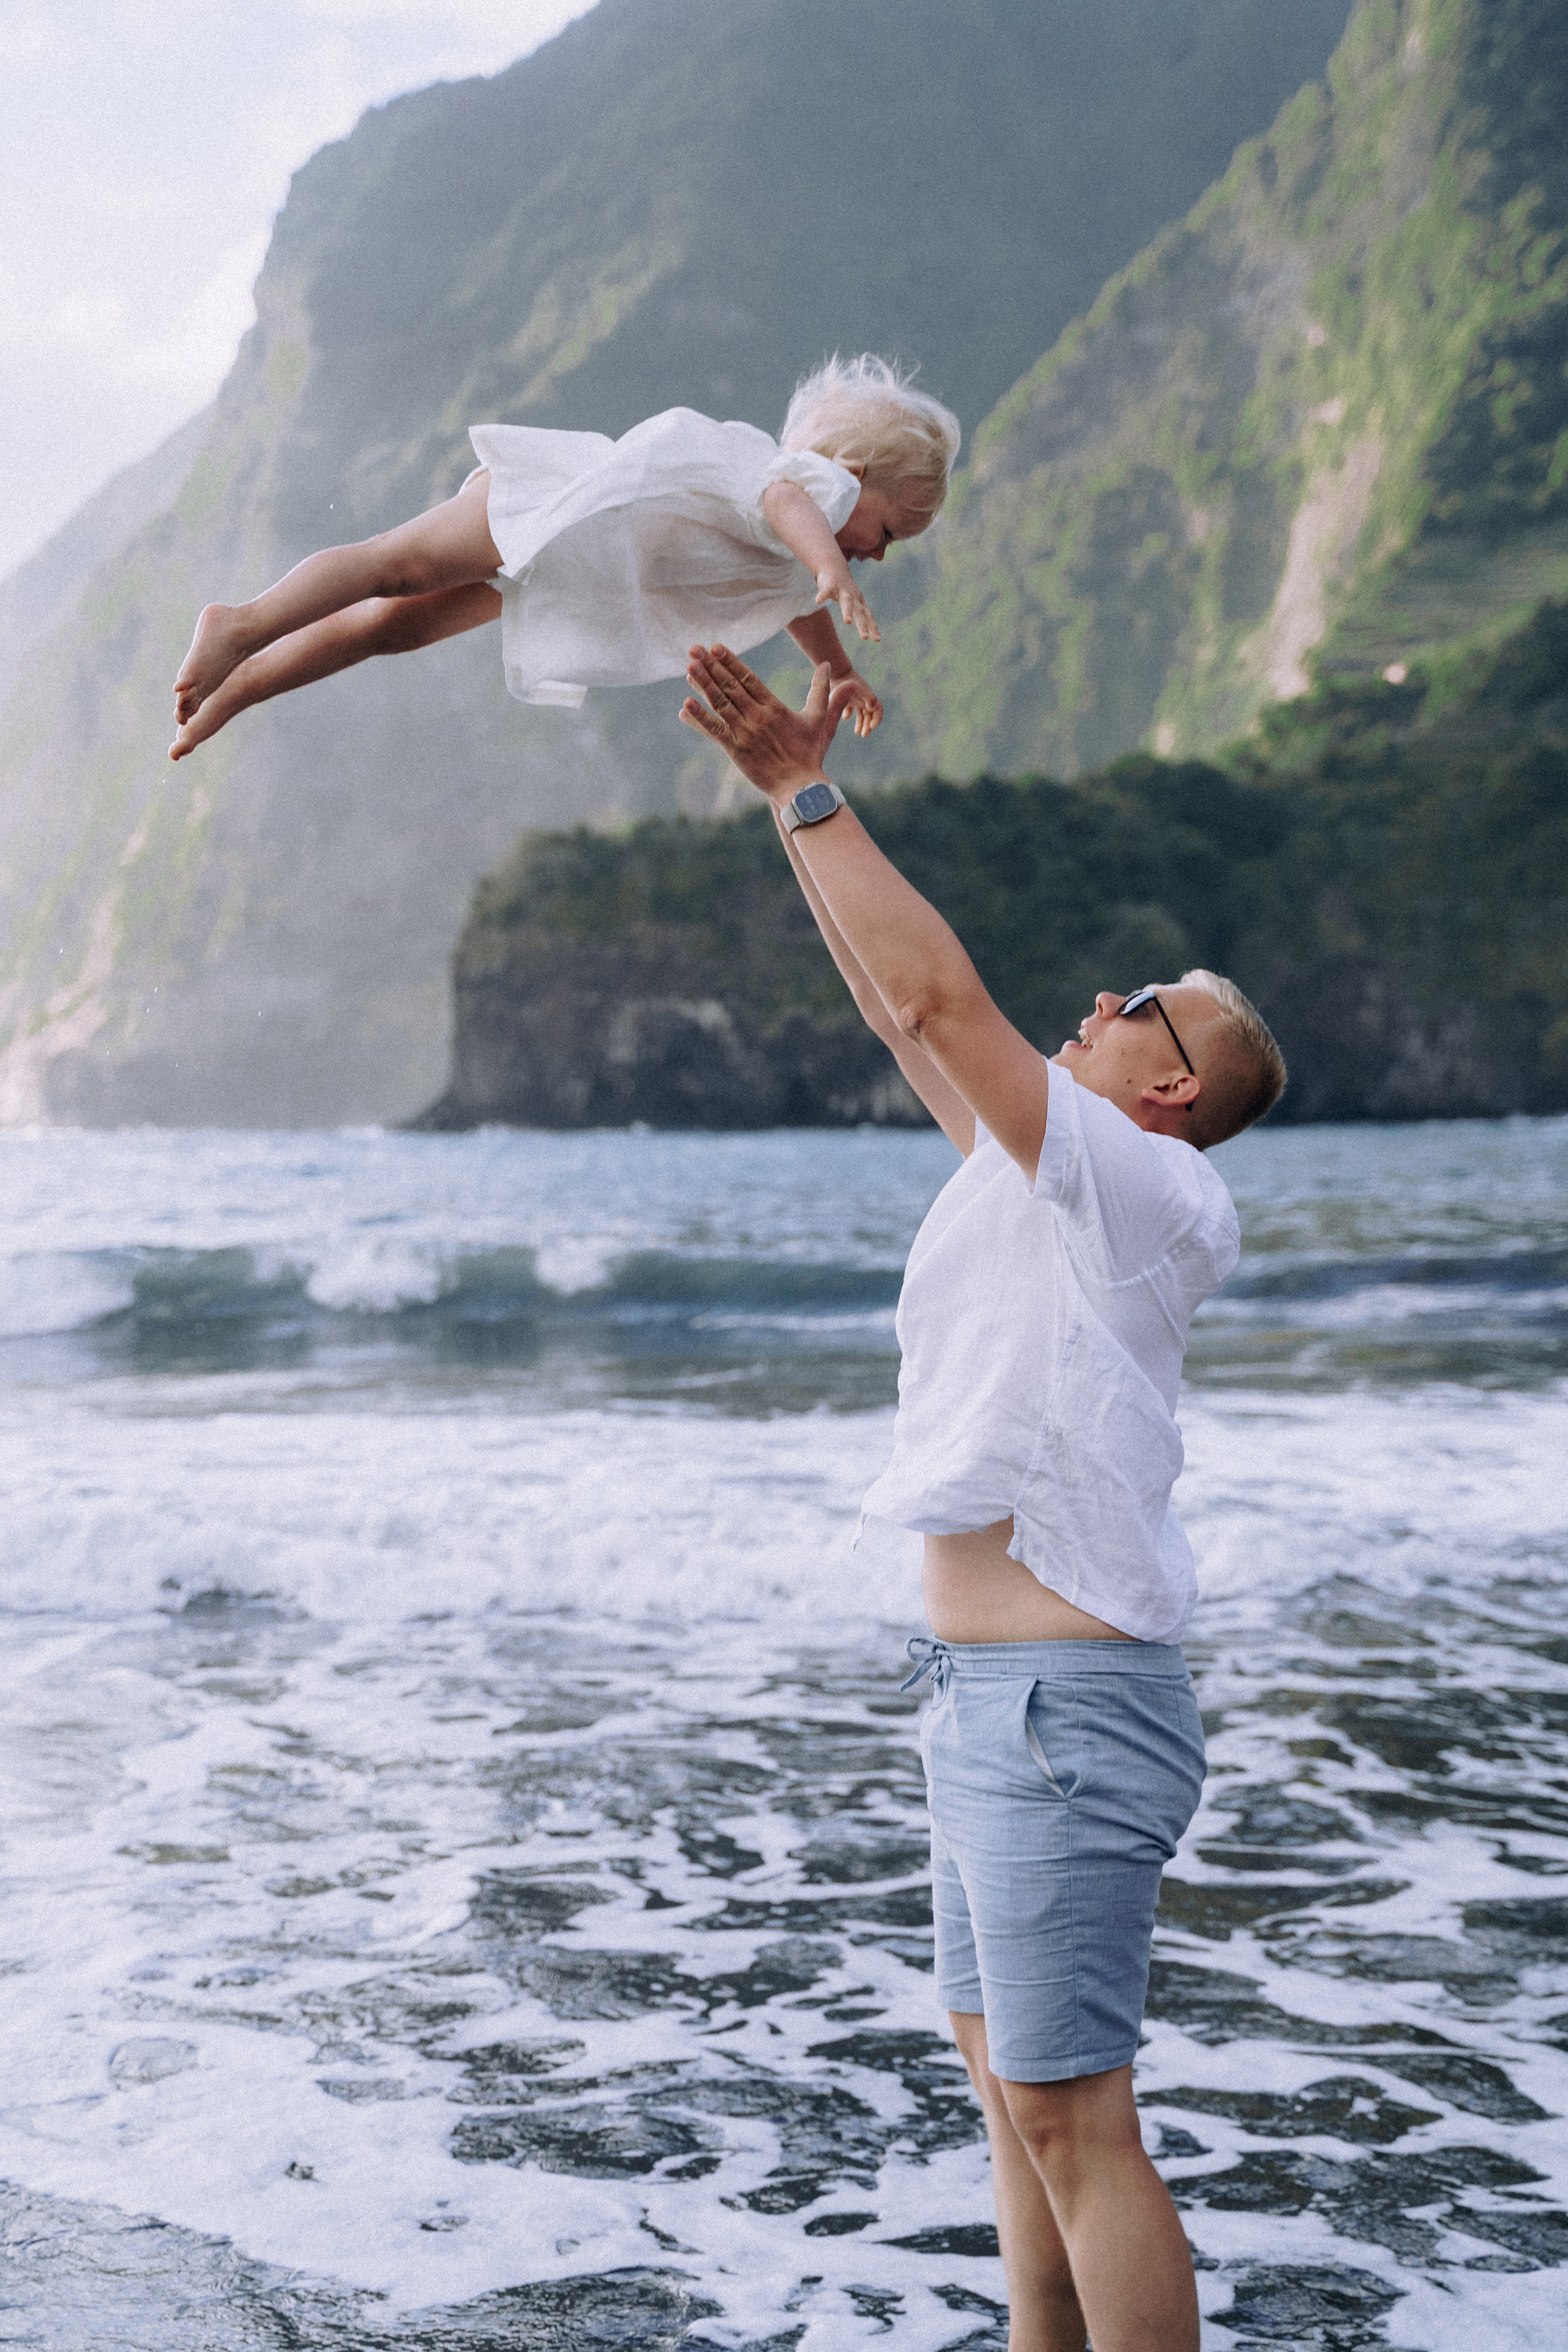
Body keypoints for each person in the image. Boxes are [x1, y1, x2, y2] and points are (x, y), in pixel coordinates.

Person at [678, 644, 1287, 2352]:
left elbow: (950, 1007)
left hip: (1065, 1712)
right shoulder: (1043, 1175)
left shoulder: (1155, 1196)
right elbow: (904, 1011)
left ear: (1171, 1089)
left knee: (1075, 2122)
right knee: (1016, 2107)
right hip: (982, 1704)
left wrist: (813, 788)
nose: (1100, 1003)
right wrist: (782, 801)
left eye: (1138, 1008)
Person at [168, 353, 959, 760]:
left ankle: (242, 689)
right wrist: (830, 567)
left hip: (565, 567)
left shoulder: (804, 549)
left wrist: (841, 667)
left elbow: (798, 607)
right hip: (560, 503)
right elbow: (790, 511)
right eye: (889, 533)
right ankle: (243, 622)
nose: (878, 557)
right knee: (393, 567)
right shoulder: (812, 488)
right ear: (856, 478)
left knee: (391, 628)